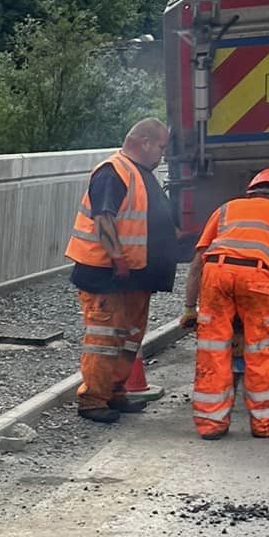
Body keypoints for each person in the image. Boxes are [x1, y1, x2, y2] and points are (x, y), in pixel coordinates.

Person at [178, 167, 269, 438]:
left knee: (213, 350)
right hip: (256, 278)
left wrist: (188, 308)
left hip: (215, 274)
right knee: (260, 350)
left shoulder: (225, 210)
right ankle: (265, 425)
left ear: (250, 191)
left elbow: (197, 264)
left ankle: (211, 425)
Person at [64, 118, 175, 423]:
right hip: (107, 275)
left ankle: (115, 392)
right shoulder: (113, 171)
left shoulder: (139, 174)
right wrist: (117, 257)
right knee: (104, 338)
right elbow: (104, 219)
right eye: (161, 147)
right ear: (145, 143)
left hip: (134, 276)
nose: (162, 155)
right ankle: (92, 400)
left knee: (128, 338)